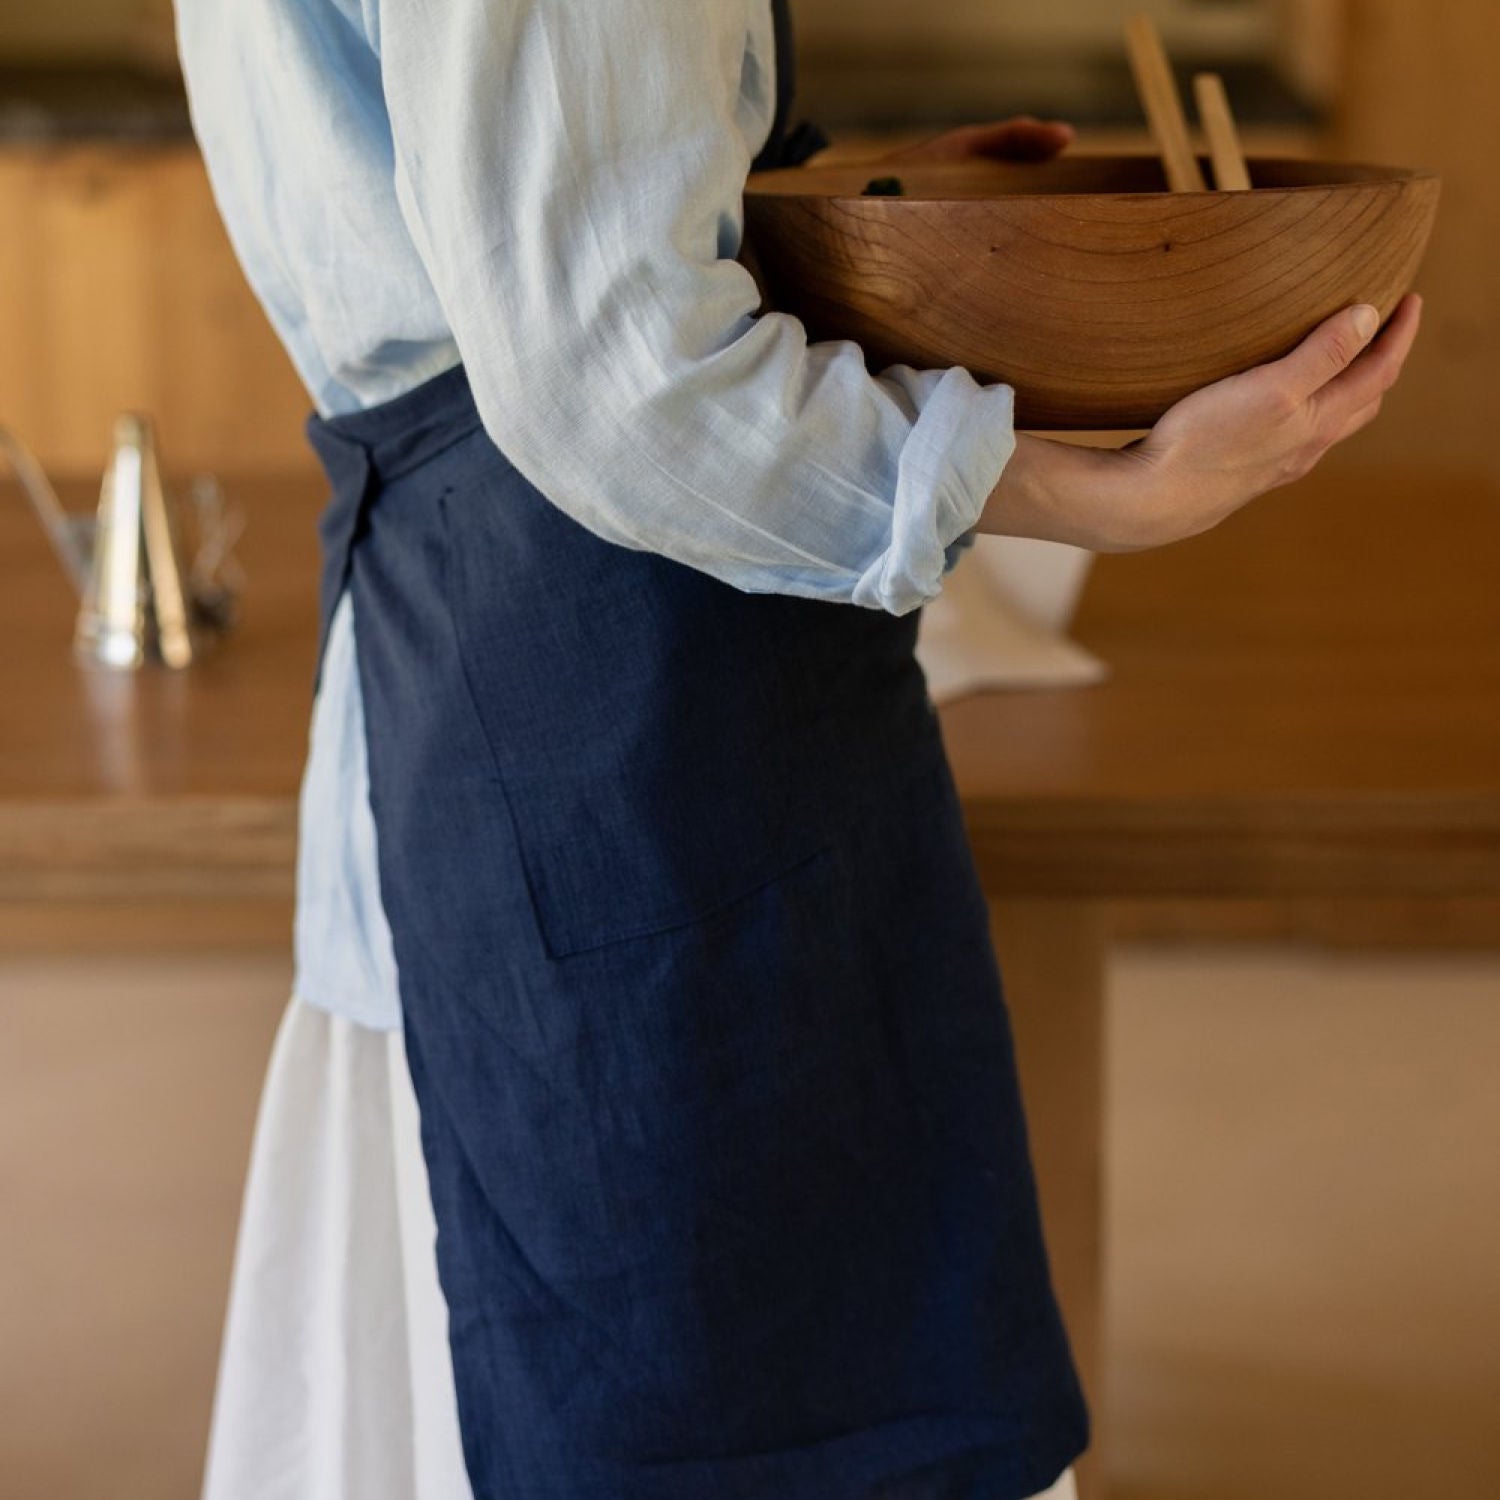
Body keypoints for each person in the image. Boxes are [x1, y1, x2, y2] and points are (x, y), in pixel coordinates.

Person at [175, 2, 1424, 1498]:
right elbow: (618, 375)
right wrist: (1102, 493)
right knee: (715, 1370)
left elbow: (507, 208)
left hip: (523, 663)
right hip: (622, 684)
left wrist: (823, 214)